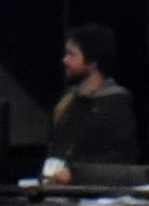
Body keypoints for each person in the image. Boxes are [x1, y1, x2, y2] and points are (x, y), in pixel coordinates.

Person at [43, 23, 141, 177]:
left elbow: (120, 160)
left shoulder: (115, 106)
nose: (65, 60)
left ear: (93, 61)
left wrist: (76, 175)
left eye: (72, 54)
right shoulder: (68, 103)